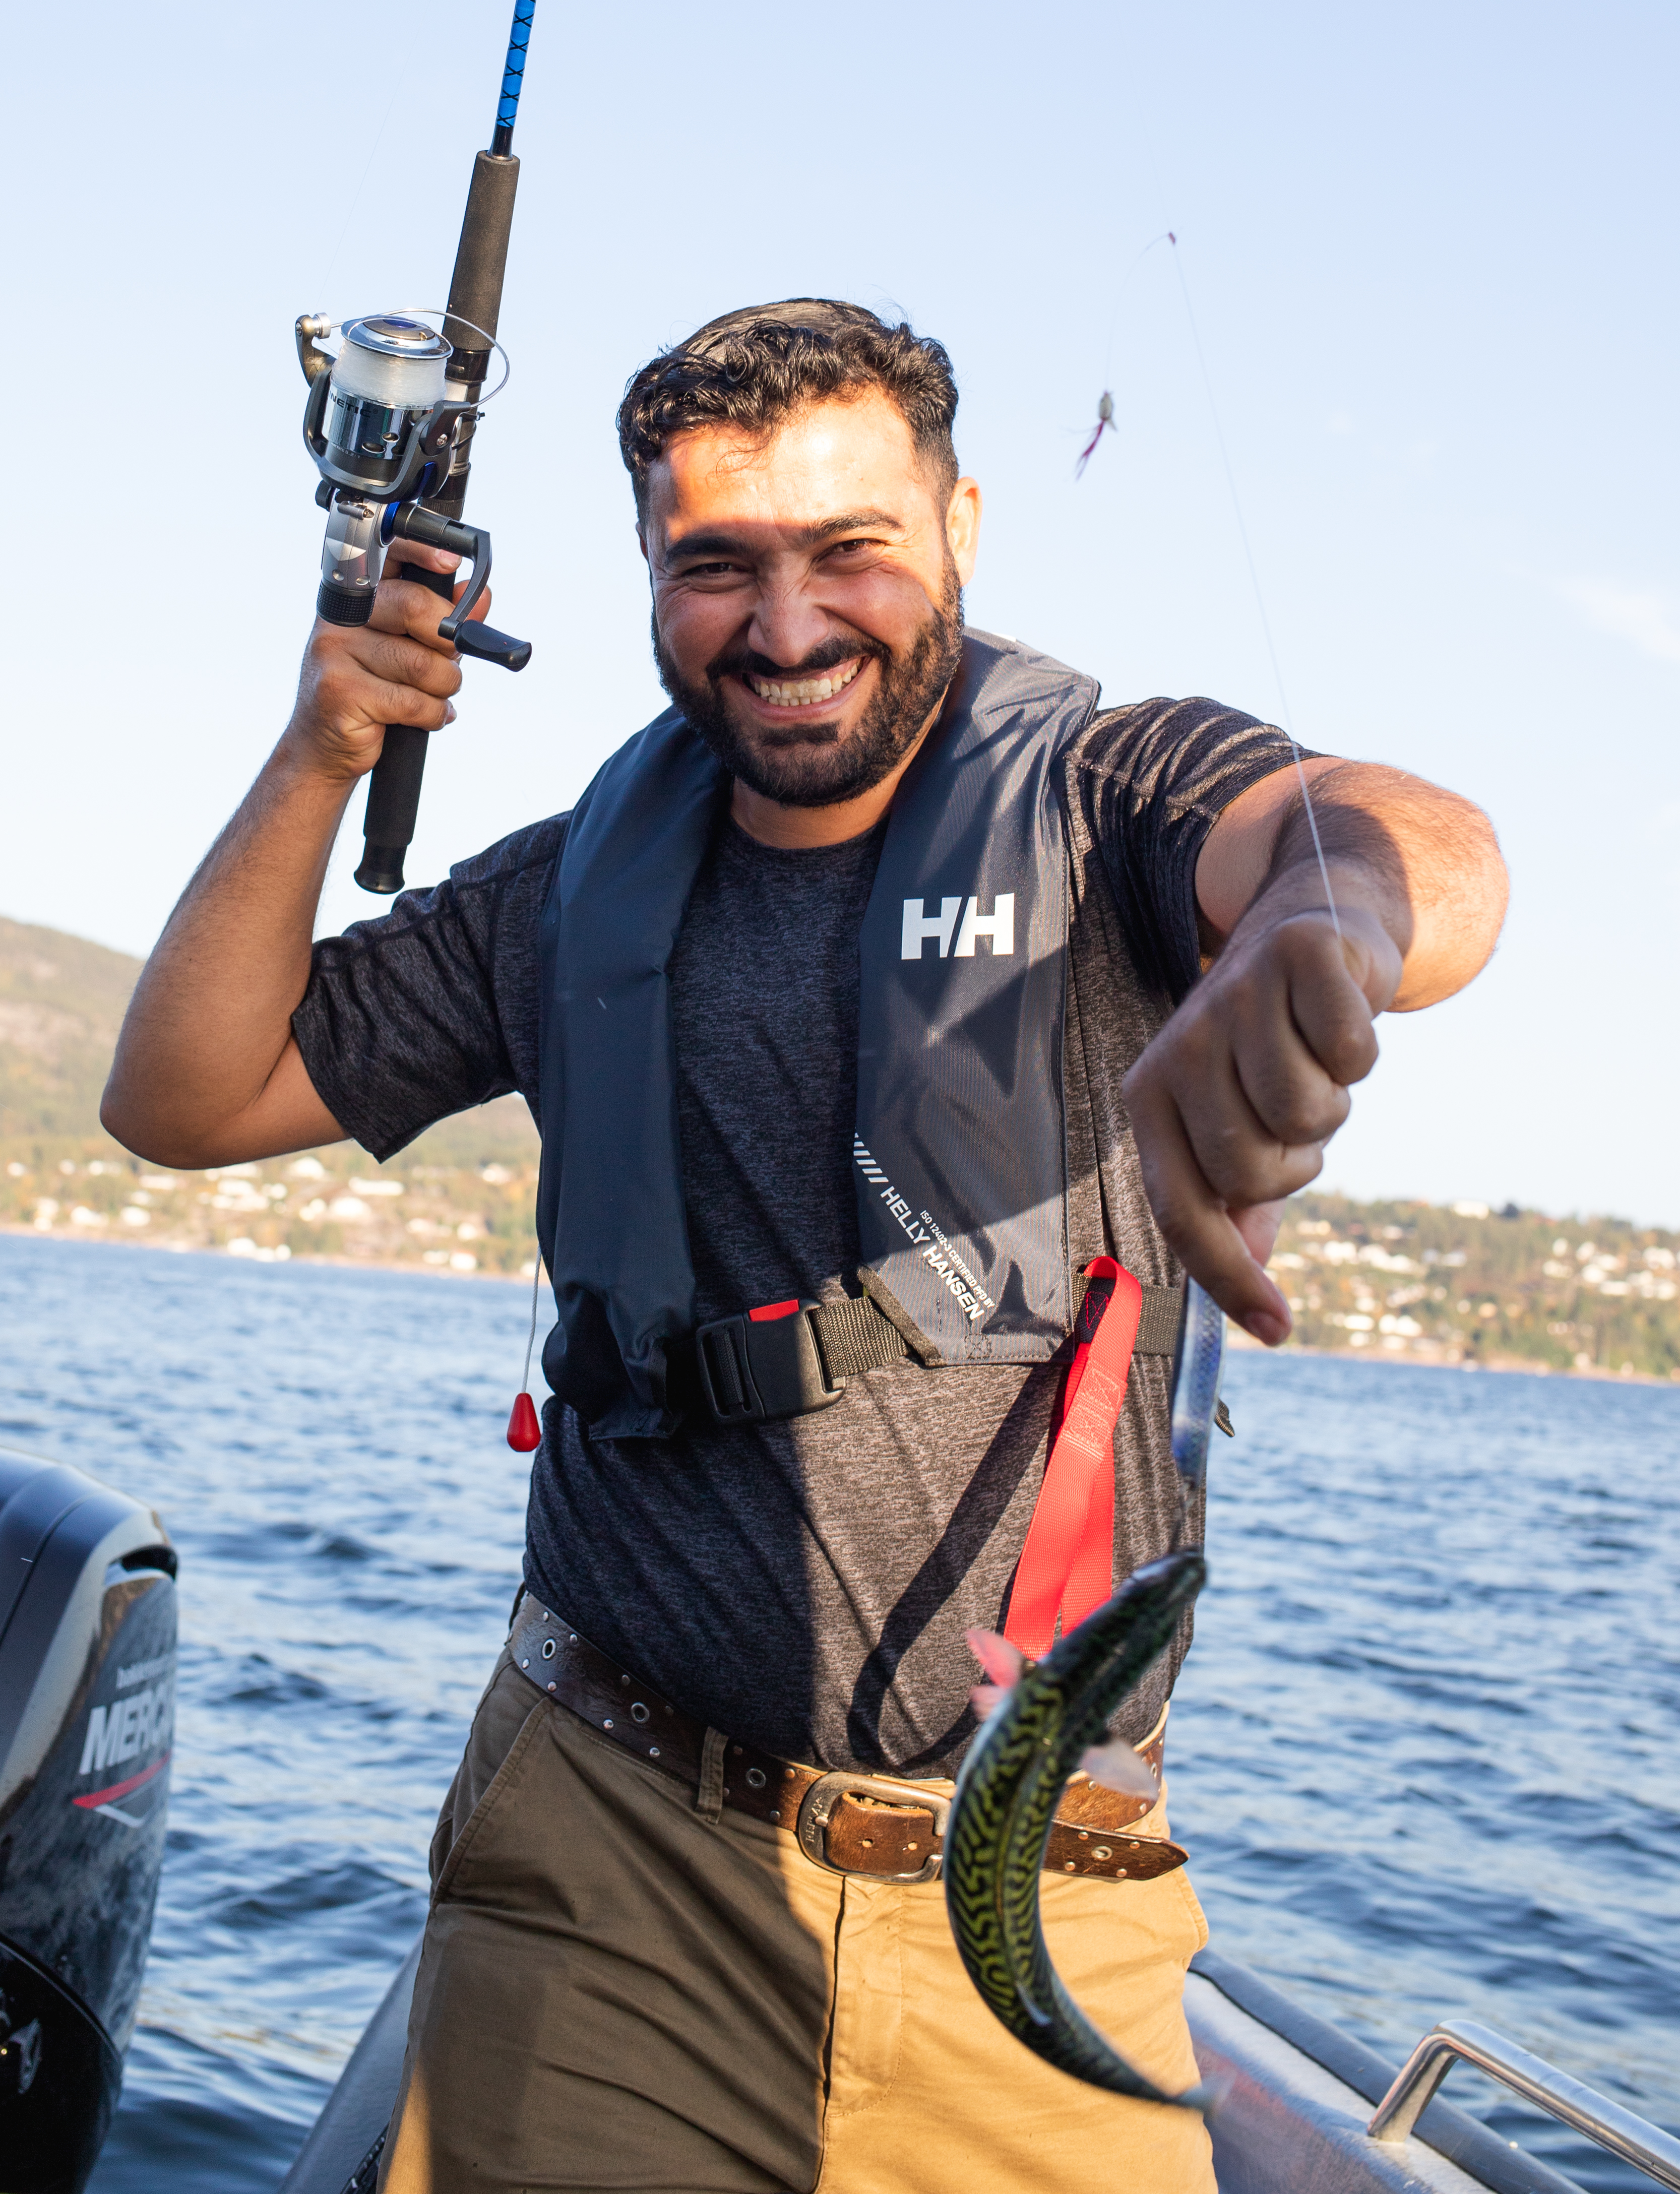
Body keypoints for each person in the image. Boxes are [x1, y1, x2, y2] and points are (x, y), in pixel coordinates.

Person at [104, 299, 1509, 2194]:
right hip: (605, 1866)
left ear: (960, 530)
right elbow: (182, 1100)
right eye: (714, 567)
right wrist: (324, 740)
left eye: (849, 550)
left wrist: (1306, 935)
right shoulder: (559, 893)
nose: (784, 626)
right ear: (644, 575)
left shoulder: (1112, 805)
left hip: (1039, 1917)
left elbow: (1407, 839)